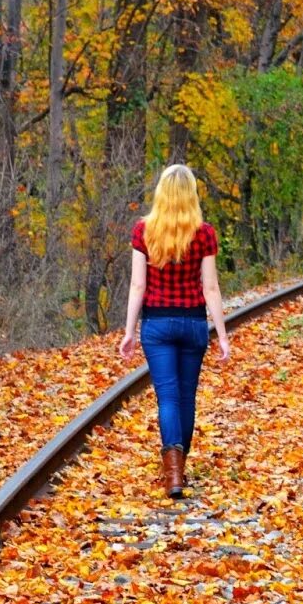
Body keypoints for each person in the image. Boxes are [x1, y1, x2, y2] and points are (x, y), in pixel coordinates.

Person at [120, 164, 230, 497]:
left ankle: (174, 475)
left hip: (156, 326)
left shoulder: (144, 231)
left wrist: (129, 331)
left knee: (167, 397)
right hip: (193, 324)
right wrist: (222, 334)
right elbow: (210, 289)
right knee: (186, 397)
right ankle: (178, 469)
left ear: (162, 194)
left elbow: (138, 284)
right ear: (191, 195)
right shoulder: (205, 233)